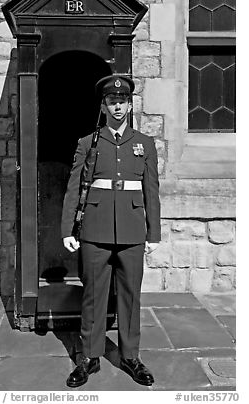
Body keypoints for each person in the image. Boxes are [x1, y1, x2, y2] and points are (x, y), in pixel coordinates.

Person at [61, 74, 161, 387]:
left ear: (130, 105)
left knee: (131, 296)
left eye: (123, 101)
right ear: (104, 106)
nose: (117, 106)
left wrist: (154, 233)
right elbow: (74, 187)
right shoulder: (88, 142)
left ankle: (130, 355)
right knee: (93, 295)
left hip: (132, 230)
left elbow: (151, 191)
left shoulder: (144, 144)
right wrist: (67, 229)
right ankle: (89, 357)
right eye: (112, 101)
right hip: (95, 227)